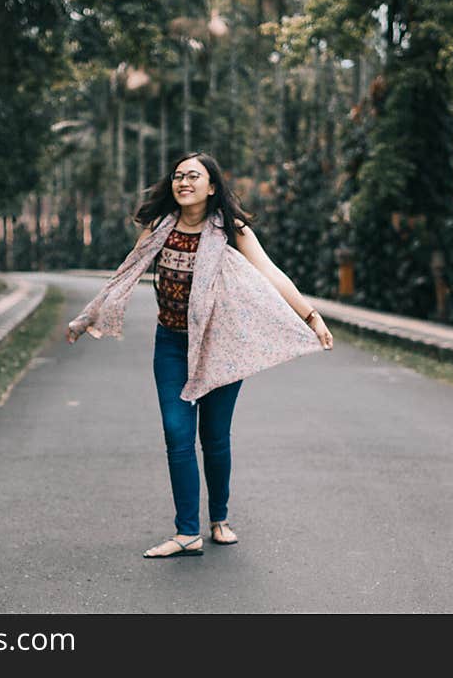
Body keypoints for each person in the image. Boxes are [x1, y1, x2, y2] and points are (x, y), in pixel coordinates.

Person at [66, 151, 333, 558]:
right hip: (171, 343)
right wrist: (87, 318)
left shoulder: (231, 229)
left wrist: (311, 317)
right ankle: (186, 531)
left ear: (212, 186)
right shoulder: (160, 227)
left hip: (219, 344)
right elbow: (126, 272)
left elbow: (270, 272)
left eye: (193, 176)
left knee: (214, 437)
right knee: (177, 435)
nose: (183, 182)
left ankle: (219, 519)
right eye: (177, 176)